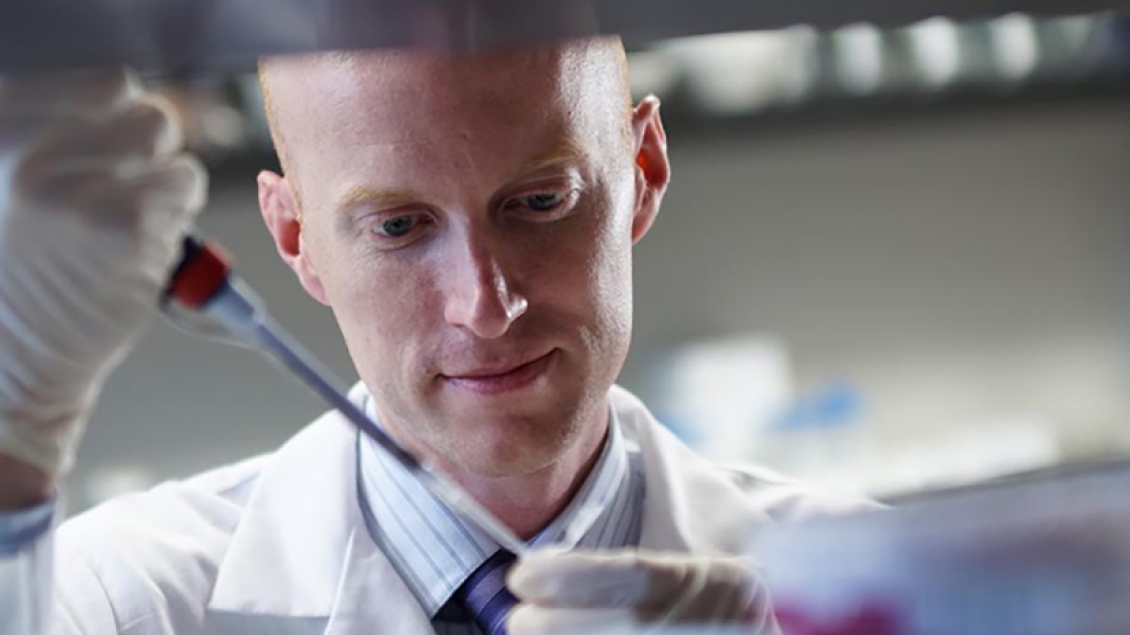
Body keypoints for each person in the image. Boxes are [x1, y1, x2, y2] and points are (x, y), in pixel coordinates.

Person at [0, 37, 870, 635]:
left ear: (640, 172)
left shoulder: (876, 580)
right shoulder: (124, 601)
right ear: (296, 237)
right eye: (397, 227)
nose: (486, 308)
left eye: (540, 202)